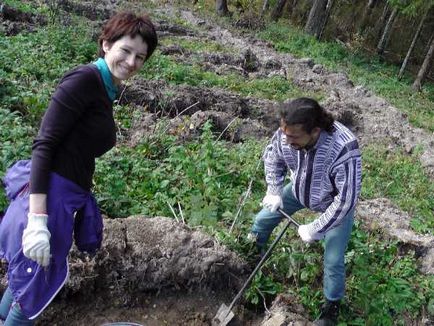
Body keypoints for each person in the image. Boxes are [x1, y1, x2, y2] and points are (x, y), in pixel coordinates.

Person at [0, 11, 157, 325]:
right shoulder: (84, 79)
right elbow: (45, 144)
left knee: (27, 280)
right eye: (125, 51)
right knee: (34, 292)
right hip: (50, 200)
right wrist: (37, 220)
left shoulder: (105, 86)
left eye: (140, 57)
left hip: (65, 196)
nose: (131, 62)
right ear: (105, 44)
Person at [249, 97, 361, 326]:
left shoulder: (344, 147)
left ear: (315, 131)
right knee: (261, 221)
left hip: (333, 203)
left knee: (333, 259)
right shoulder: (287, 134)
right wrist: (274, 191)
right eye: (284, 133)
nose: (286, 139)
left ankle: (331, 308)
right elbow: (273, 156)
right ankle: (250, 261)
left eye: (293, 137)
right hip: (299, 189)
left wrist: (317, 227)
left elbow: (346, 200)